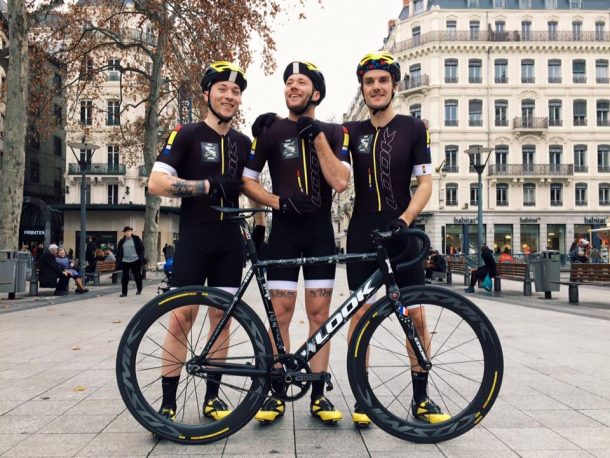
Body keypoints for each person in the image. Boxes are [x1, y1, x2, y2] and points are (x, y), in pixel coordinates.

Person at [342, 52, 449, 426]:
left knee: (416, 315)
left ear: (394, 86)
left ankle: (421, 398)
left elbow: (425, 184)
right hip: (360, 232)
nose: (375, 87)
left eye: (382, 81)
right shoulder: (349, 132)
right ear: (363, 88)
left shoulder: (414, 128)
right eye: (369, 82)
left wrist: (405, 219)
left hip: (401, 231)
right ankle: (362, 397)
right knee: (359, 316)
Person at [243, 61, 350, 424]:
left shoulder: (336, 132)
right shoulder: (270, 130)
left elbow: (340, 182)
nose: (292, 86)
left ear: (315, 92)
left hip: (320, 233)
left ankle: (319, 394)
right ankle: (276, 392)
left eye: (301, 82)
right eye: (288, 82)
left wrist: (316, 135)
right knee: (281, 315)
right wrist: (276, 202)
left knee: (320, 316)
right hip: (284, 232)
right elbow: (248, 180)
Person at [148, 61, 253, 423]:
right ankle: (167, 400)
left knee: (221, 321)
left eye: (236, 91)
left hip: (229, 242)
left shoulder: (243, 142)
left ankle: (212, 397)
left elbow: (253, 188)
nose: (229, 96)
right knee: (181, 319)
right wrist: (205, 186)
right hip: (194, 237)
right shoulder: (186, 134)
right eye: (222, 89)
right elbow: (156, 184)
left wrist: (266, 221)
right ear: (206, 94)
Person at [116, 226, 144, 297]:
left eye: (129, 231)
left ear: (131, 232)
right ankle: (124, 292)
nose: (127, 233)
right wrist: (118, 261)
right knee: (125, 277)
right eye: (126, 231)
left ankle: (139, 289)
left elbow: (141, 249)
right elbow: (119, 252)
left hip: (135, 260)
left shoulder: (136, 239)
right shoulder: (122, 241)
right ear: (124, 233)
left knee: (137, 276)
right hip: (125, 261)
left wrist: (140, 258)